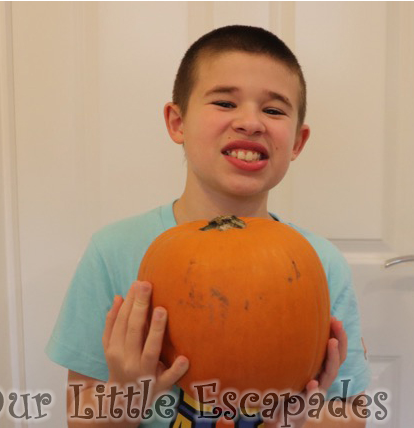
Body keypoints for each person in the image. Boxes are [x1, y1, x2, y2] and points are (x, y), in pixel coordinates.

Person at [46, 25, 371, 428]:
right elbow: (82, 415)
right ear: (177, 122)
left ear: (297, 143)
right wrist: (127, 394)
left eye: (273, 110)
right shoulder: (113, 250)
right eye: (224, 102)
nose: (251, 123)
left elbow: (350, 412)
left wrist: (301, 421)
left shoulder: (321, 262)